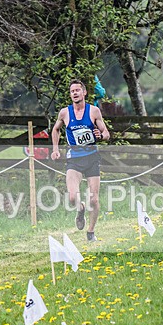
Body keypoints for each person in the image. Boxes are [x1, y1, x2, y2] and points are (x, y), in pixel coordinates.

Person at [51, 79, 111, 242]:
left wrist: (102, 136)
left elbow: (106, 133)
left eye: (78, 90)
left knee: (94, 198)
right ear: (70, 95)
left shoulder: (94, 111)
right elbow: (55, 129)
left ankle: (90, 232)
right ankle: (80, 209)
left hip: (91, 157)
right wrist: (55, 149)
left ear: (84, 93)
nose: (75, 93)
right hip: (74, 159)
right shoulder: (65, 113)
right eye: (72, 91)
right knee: (72, 197)